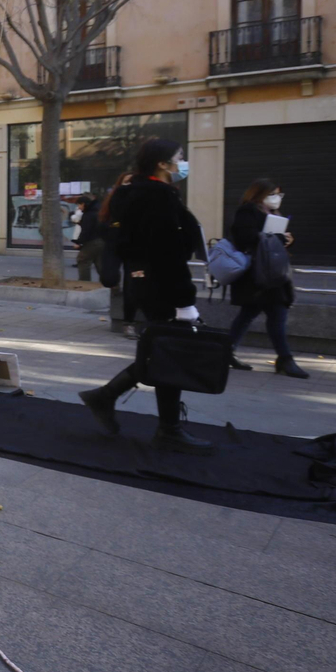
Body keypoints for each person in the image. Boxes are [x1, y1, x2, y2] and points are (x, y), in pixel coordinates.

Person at [79, 138, 214, 454]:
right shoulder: (156, 196)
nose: (183, 161)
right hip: (161, 286)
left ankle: (107, 397)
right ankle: (166, 428)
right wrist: (184, 300)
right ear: (163, 164)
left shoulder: (141, 193)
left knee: (161, 351)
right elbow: (166, 253)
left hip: (147, 283)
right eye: (179, 156)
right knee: (167, 352)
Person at [225, 179, 308, 378]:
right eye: (272, 194)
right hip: (258, 276)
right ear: (258, 195)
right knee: (275, 314)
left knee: (250, 315)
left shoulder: (273, 215)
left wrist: (287, 241)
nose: (277, 198)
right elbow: (244, 238)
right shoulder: (247, 212)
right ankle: (285, 359)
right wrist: (276, 238)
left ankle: (226, 352)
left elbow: (272, 243)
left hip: (271, 274)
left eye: (279, 194)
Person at [97, 171, 139, 337]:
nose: (128, 185)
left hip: (135, 250)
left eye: (132, 182)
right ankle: (114, 285)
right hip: (114, 244)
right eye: (125, 182)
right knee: (108, 277)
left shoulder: (141, 199)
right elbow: (103, 220)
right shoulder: (114, 198)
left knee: (133, 285)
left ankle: (129, 323)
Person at [74, 193, 104, 282]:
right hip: (102, 241)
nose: (79, 207)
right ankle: (112, 286)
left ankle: (84, 284)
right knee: (100, 264)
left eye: (79, 205)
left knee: (83, 260)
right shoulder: (98, 211)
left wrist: (79, 242)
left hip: (92, 241)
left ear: (83, 204)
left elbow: (86, 231)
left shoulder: (88, 215)